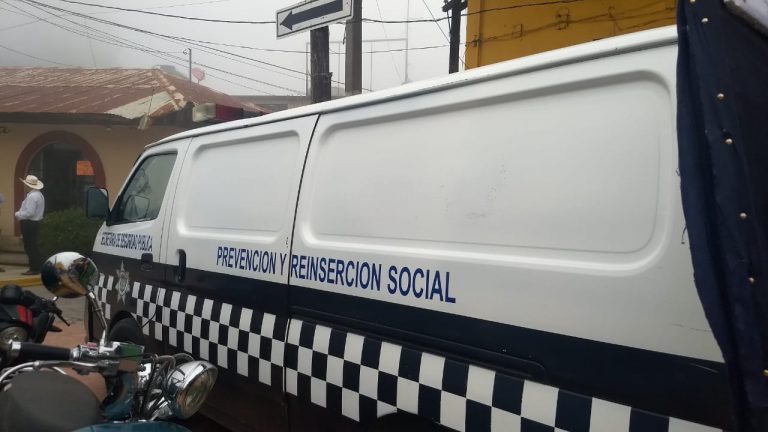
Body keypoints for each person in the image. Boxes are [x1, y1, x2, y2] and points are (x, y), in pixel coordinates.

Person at [15, 175, 45, 276]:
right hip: (34, 223)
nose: (24, 186)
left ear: (28, 185)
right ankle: (37, 267)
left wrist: (18, 214)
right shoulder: (39, 195)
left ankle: (34, 268)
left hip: (29, 223)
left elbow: (29, 213)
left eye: (25, 184)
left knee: (29, 246)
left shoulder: (32, 196)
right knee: (33, 246)